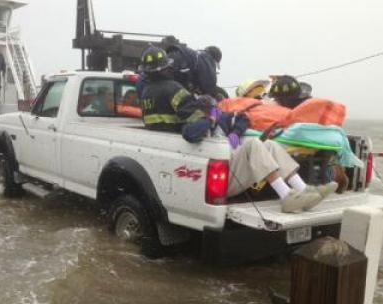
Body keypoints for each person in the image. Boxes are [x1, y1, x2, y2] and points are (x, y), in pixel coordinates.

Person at [139, 46, 337, 213]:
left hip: (226, 162)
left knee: (269, 144)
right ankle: (286, 196)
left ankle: (303, 189)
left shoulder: (149, 93)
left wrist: (233, 131)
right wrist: (211, 119)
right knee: (254, 145)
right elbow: (191, 133)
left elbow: (240, 117)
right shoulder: (188, 108)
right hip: (225, 172)